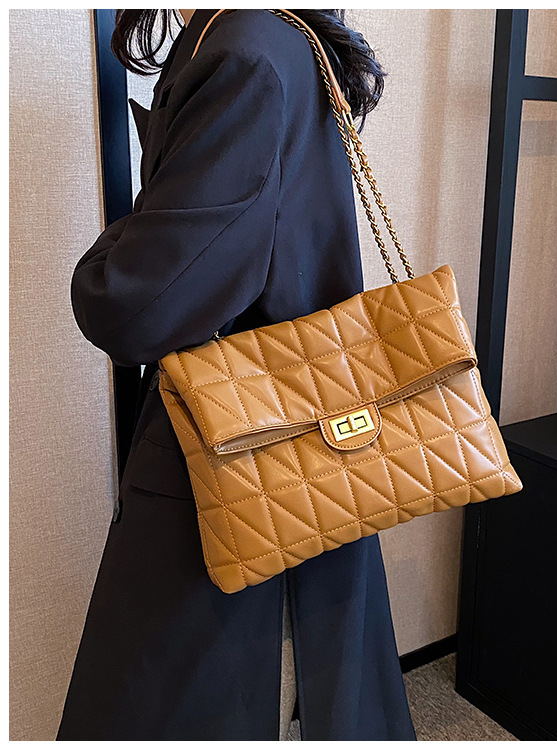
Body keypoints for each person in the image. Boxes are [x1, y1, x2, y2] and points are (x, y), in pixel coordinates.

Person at [56, 9, 416, 741]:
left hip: (240, 451)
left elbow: (137, 307)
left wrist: (107, 259)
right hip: (296, 427)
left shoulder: (243, 53)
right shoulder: (278, 35)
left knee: (204, 693)